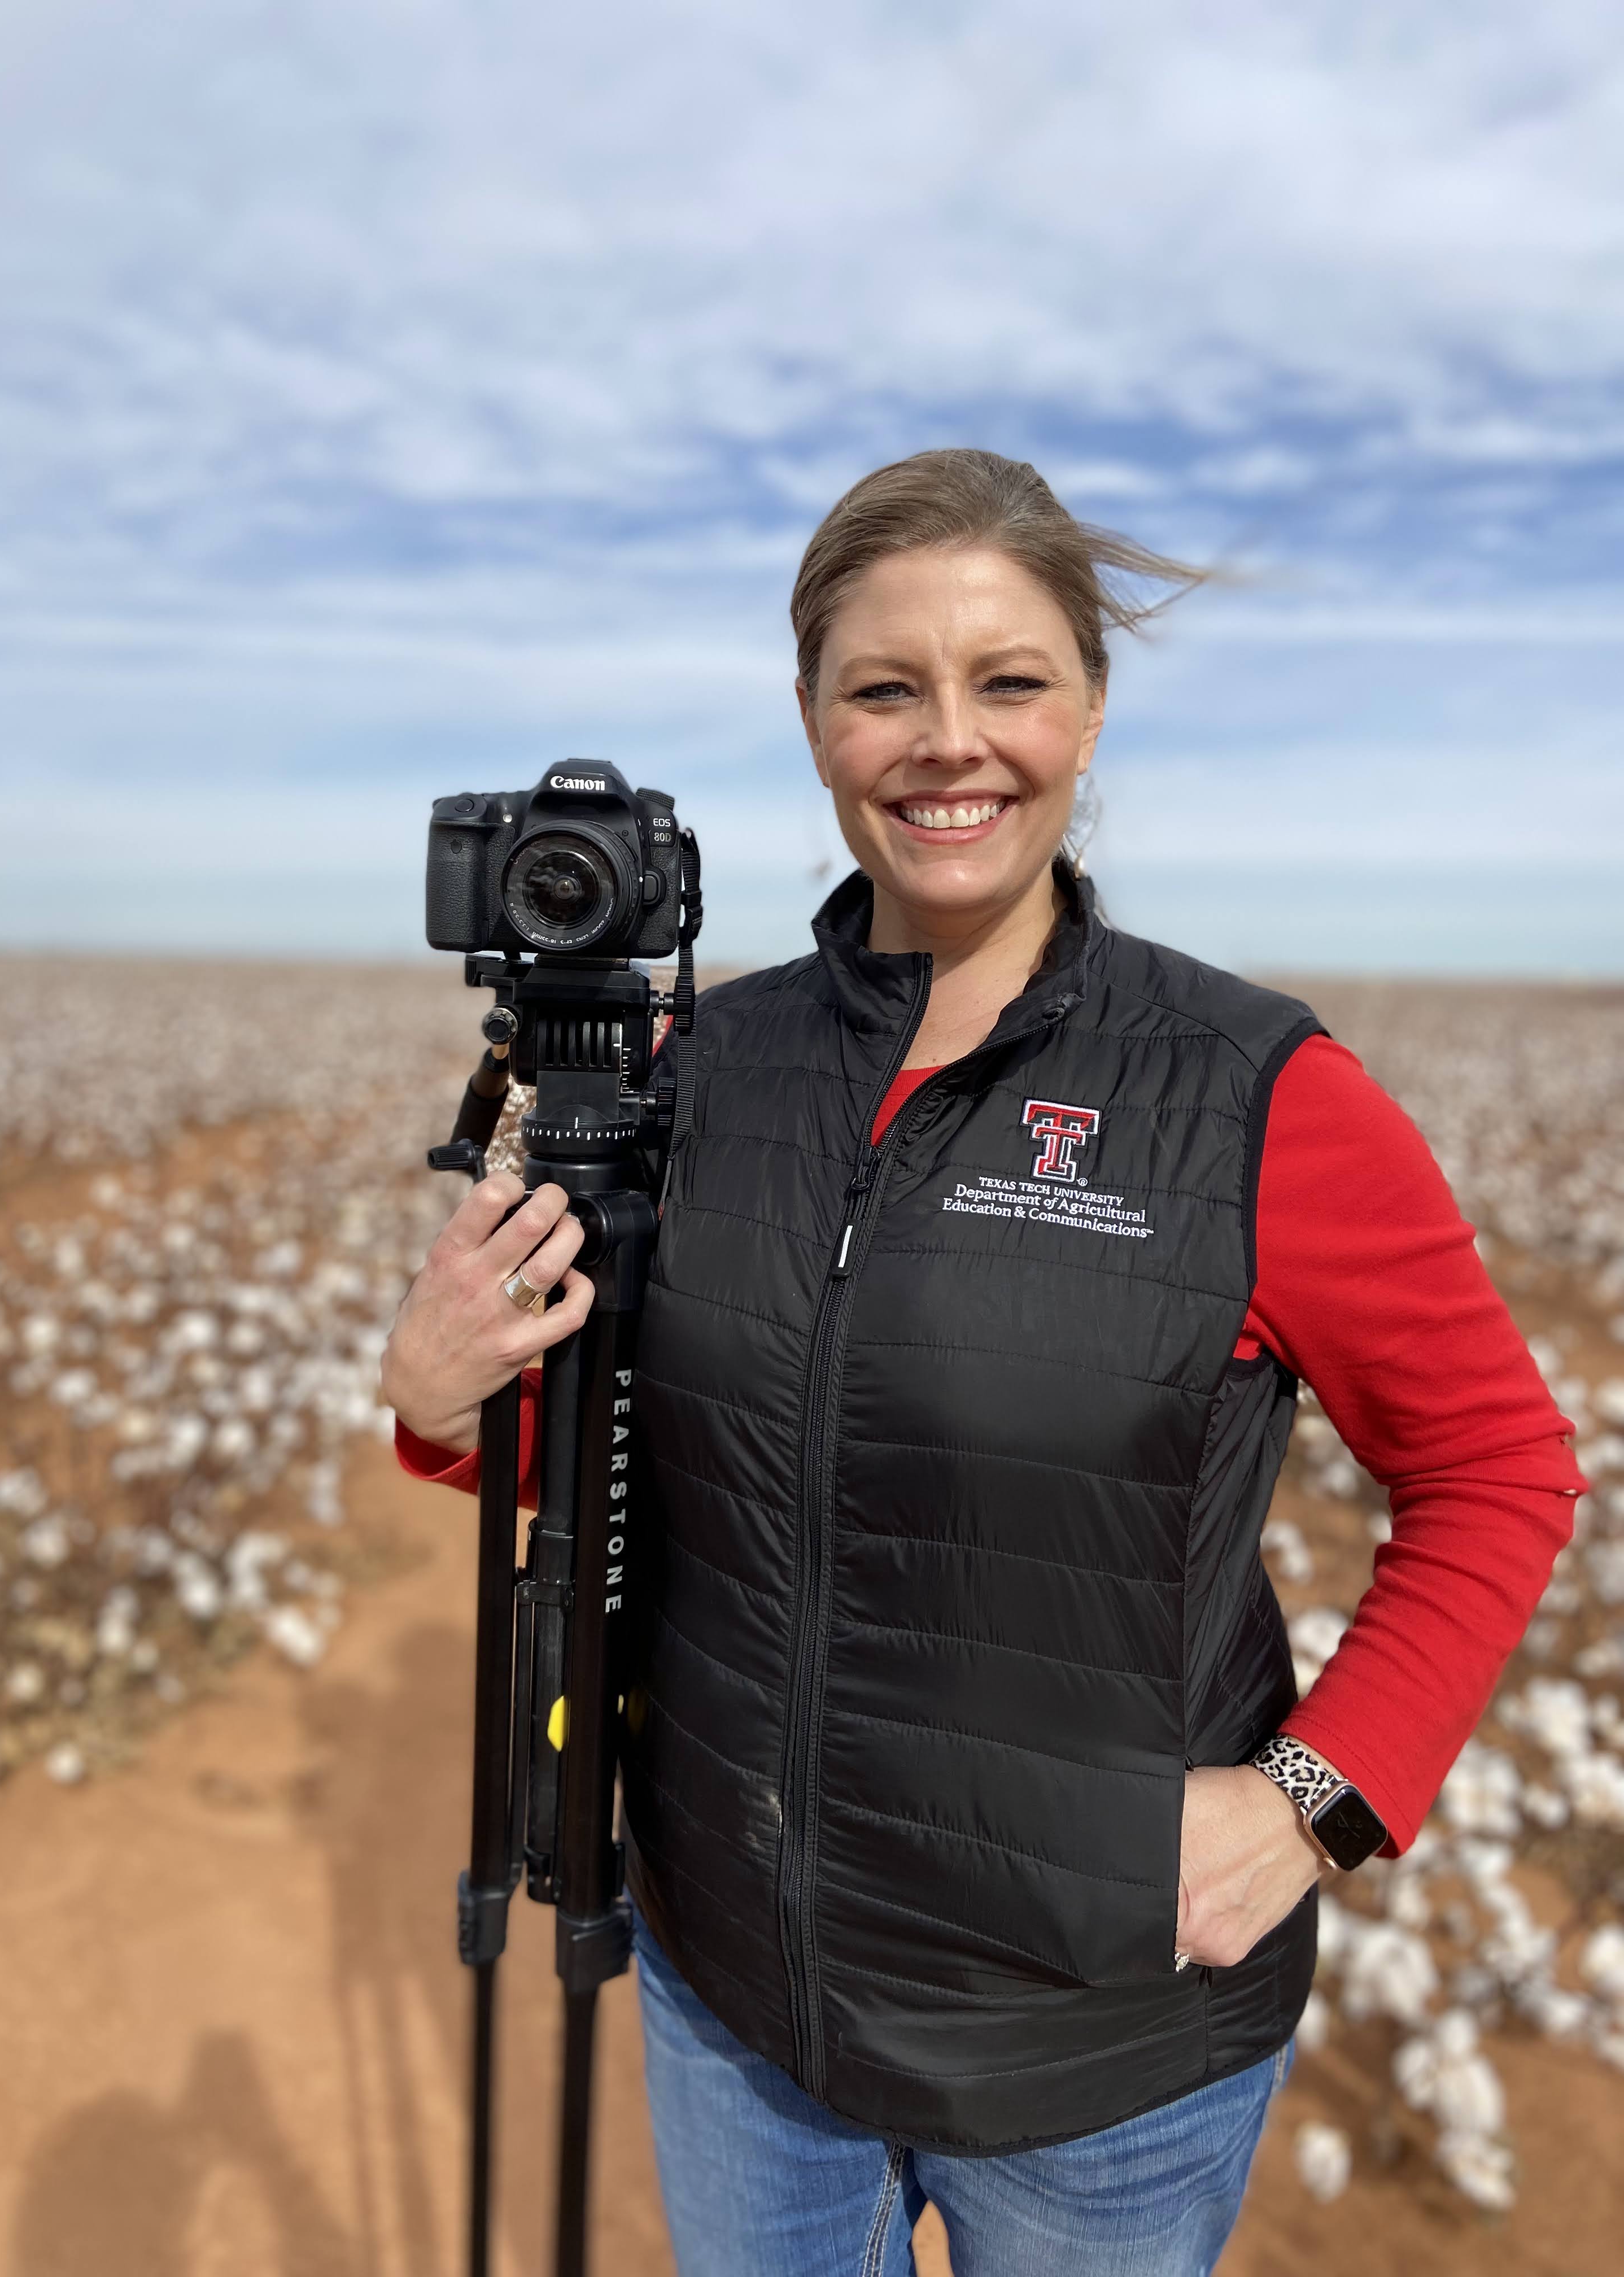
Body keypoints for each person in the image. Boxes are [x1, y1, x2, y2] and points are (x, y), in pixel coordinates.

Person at [381, 450, 1584, 2276]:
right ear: (815, 724)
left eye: (1008, 681)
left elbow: (1498, 1469)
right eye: (887, 689)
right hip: (739, 2012)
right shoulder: (704, 1072)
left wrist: (1311, 1803)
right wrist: (448, 1404)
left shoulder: (1254, 1094)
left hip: (1100, 2057)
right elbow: (628, 1452)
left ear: (1088, 711)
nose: (951, 742)